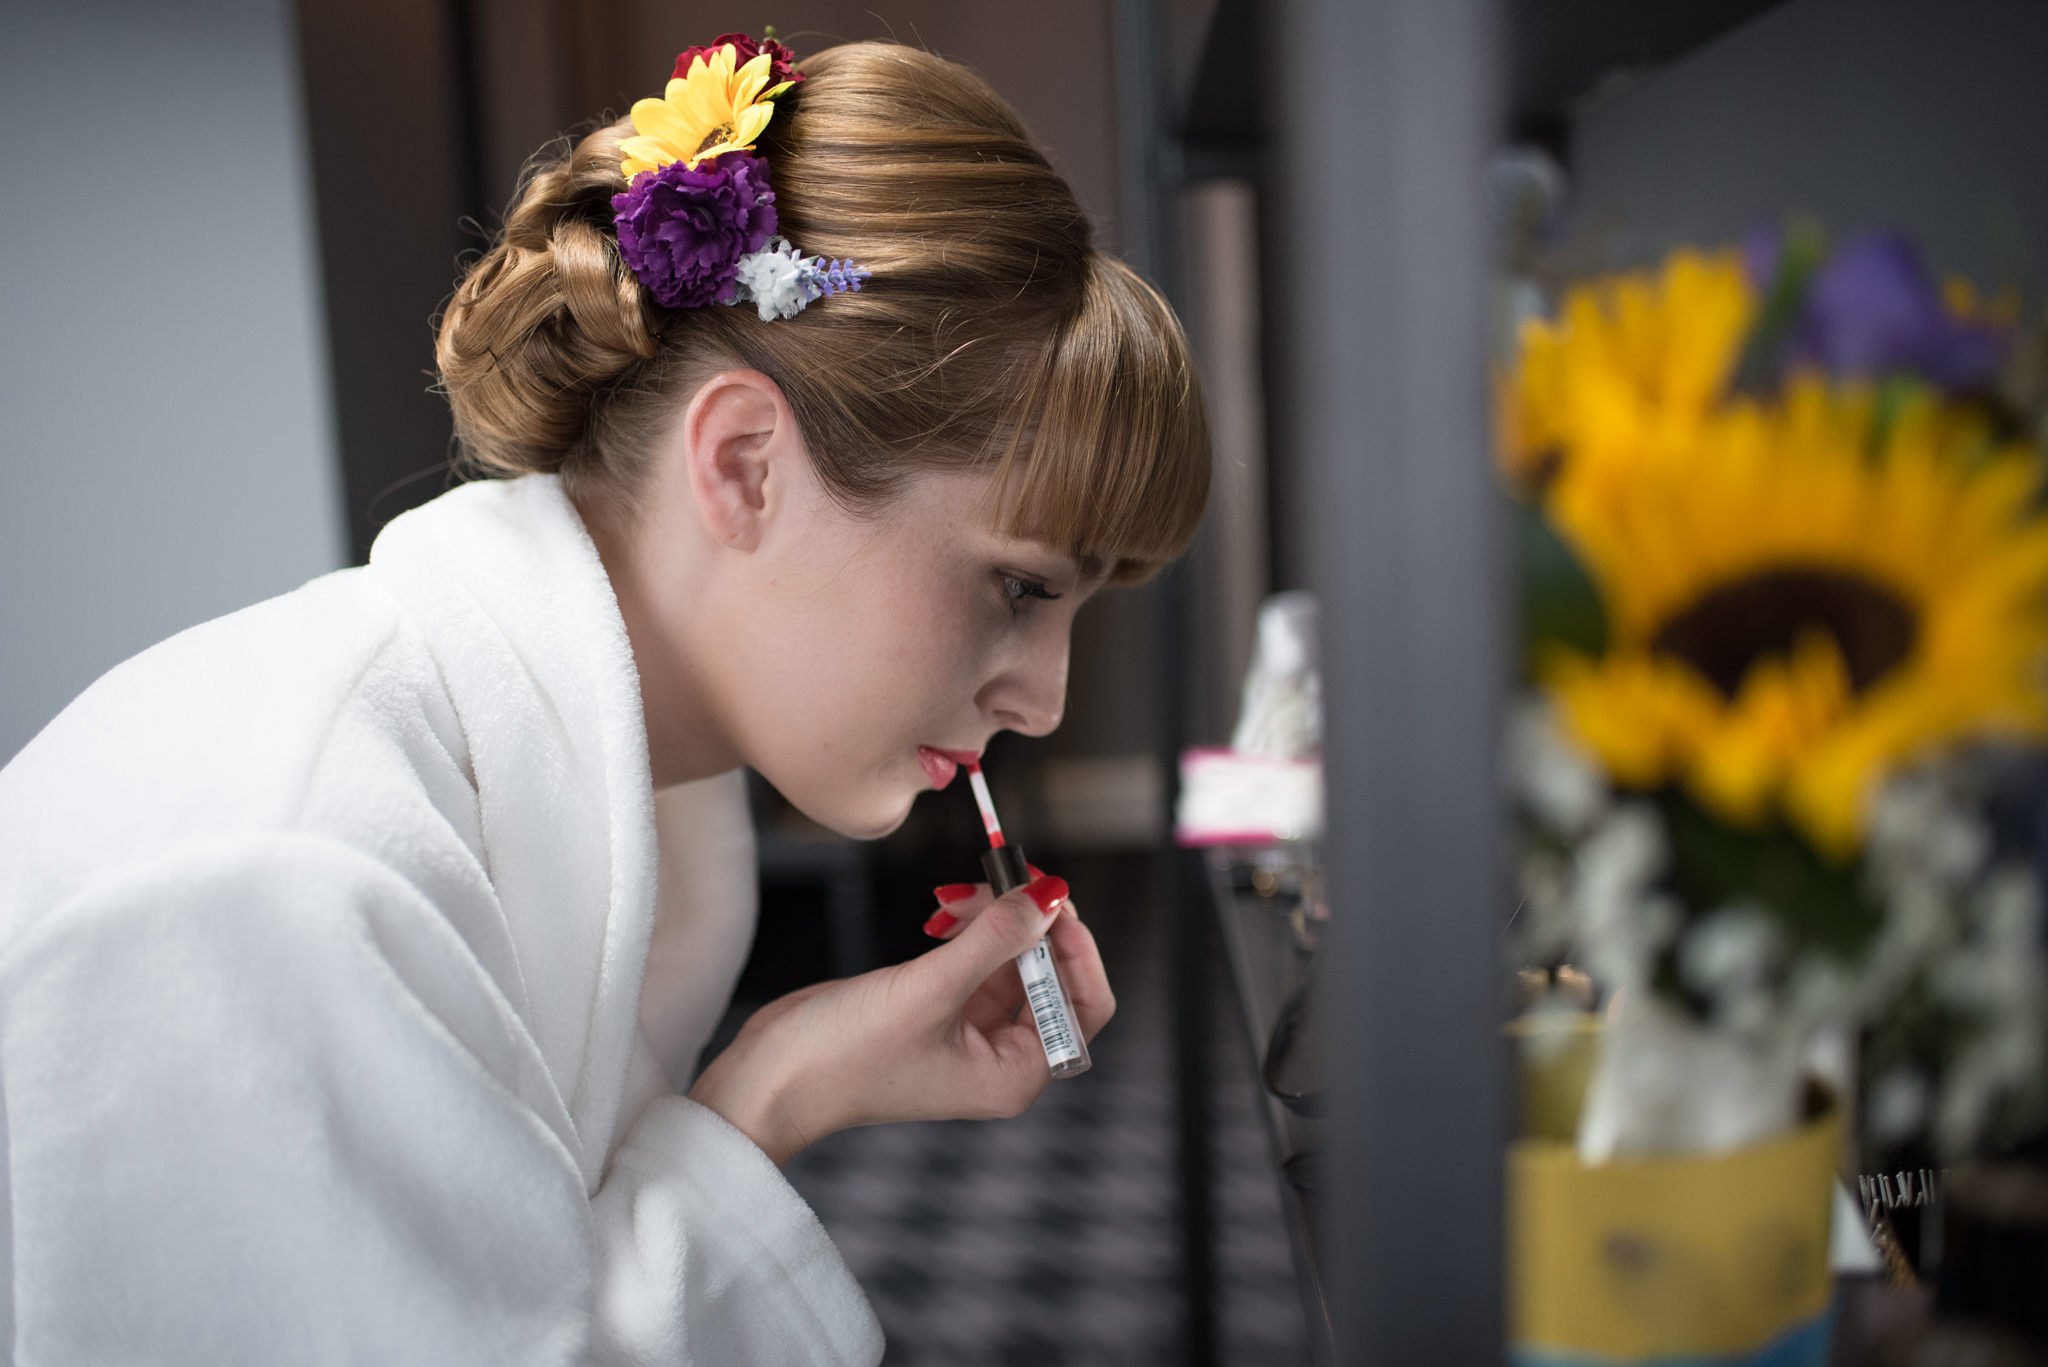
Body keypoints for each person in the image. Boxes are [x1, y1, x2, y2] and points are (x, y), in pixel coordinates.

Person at [0, 36, 1208, 1366]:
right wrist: (761, 1098)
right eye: (1021, 591)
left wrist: (777, 1089)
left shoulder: (606, 800)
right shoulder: (276, 879)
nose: (1043, 702)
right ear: (744, 465)